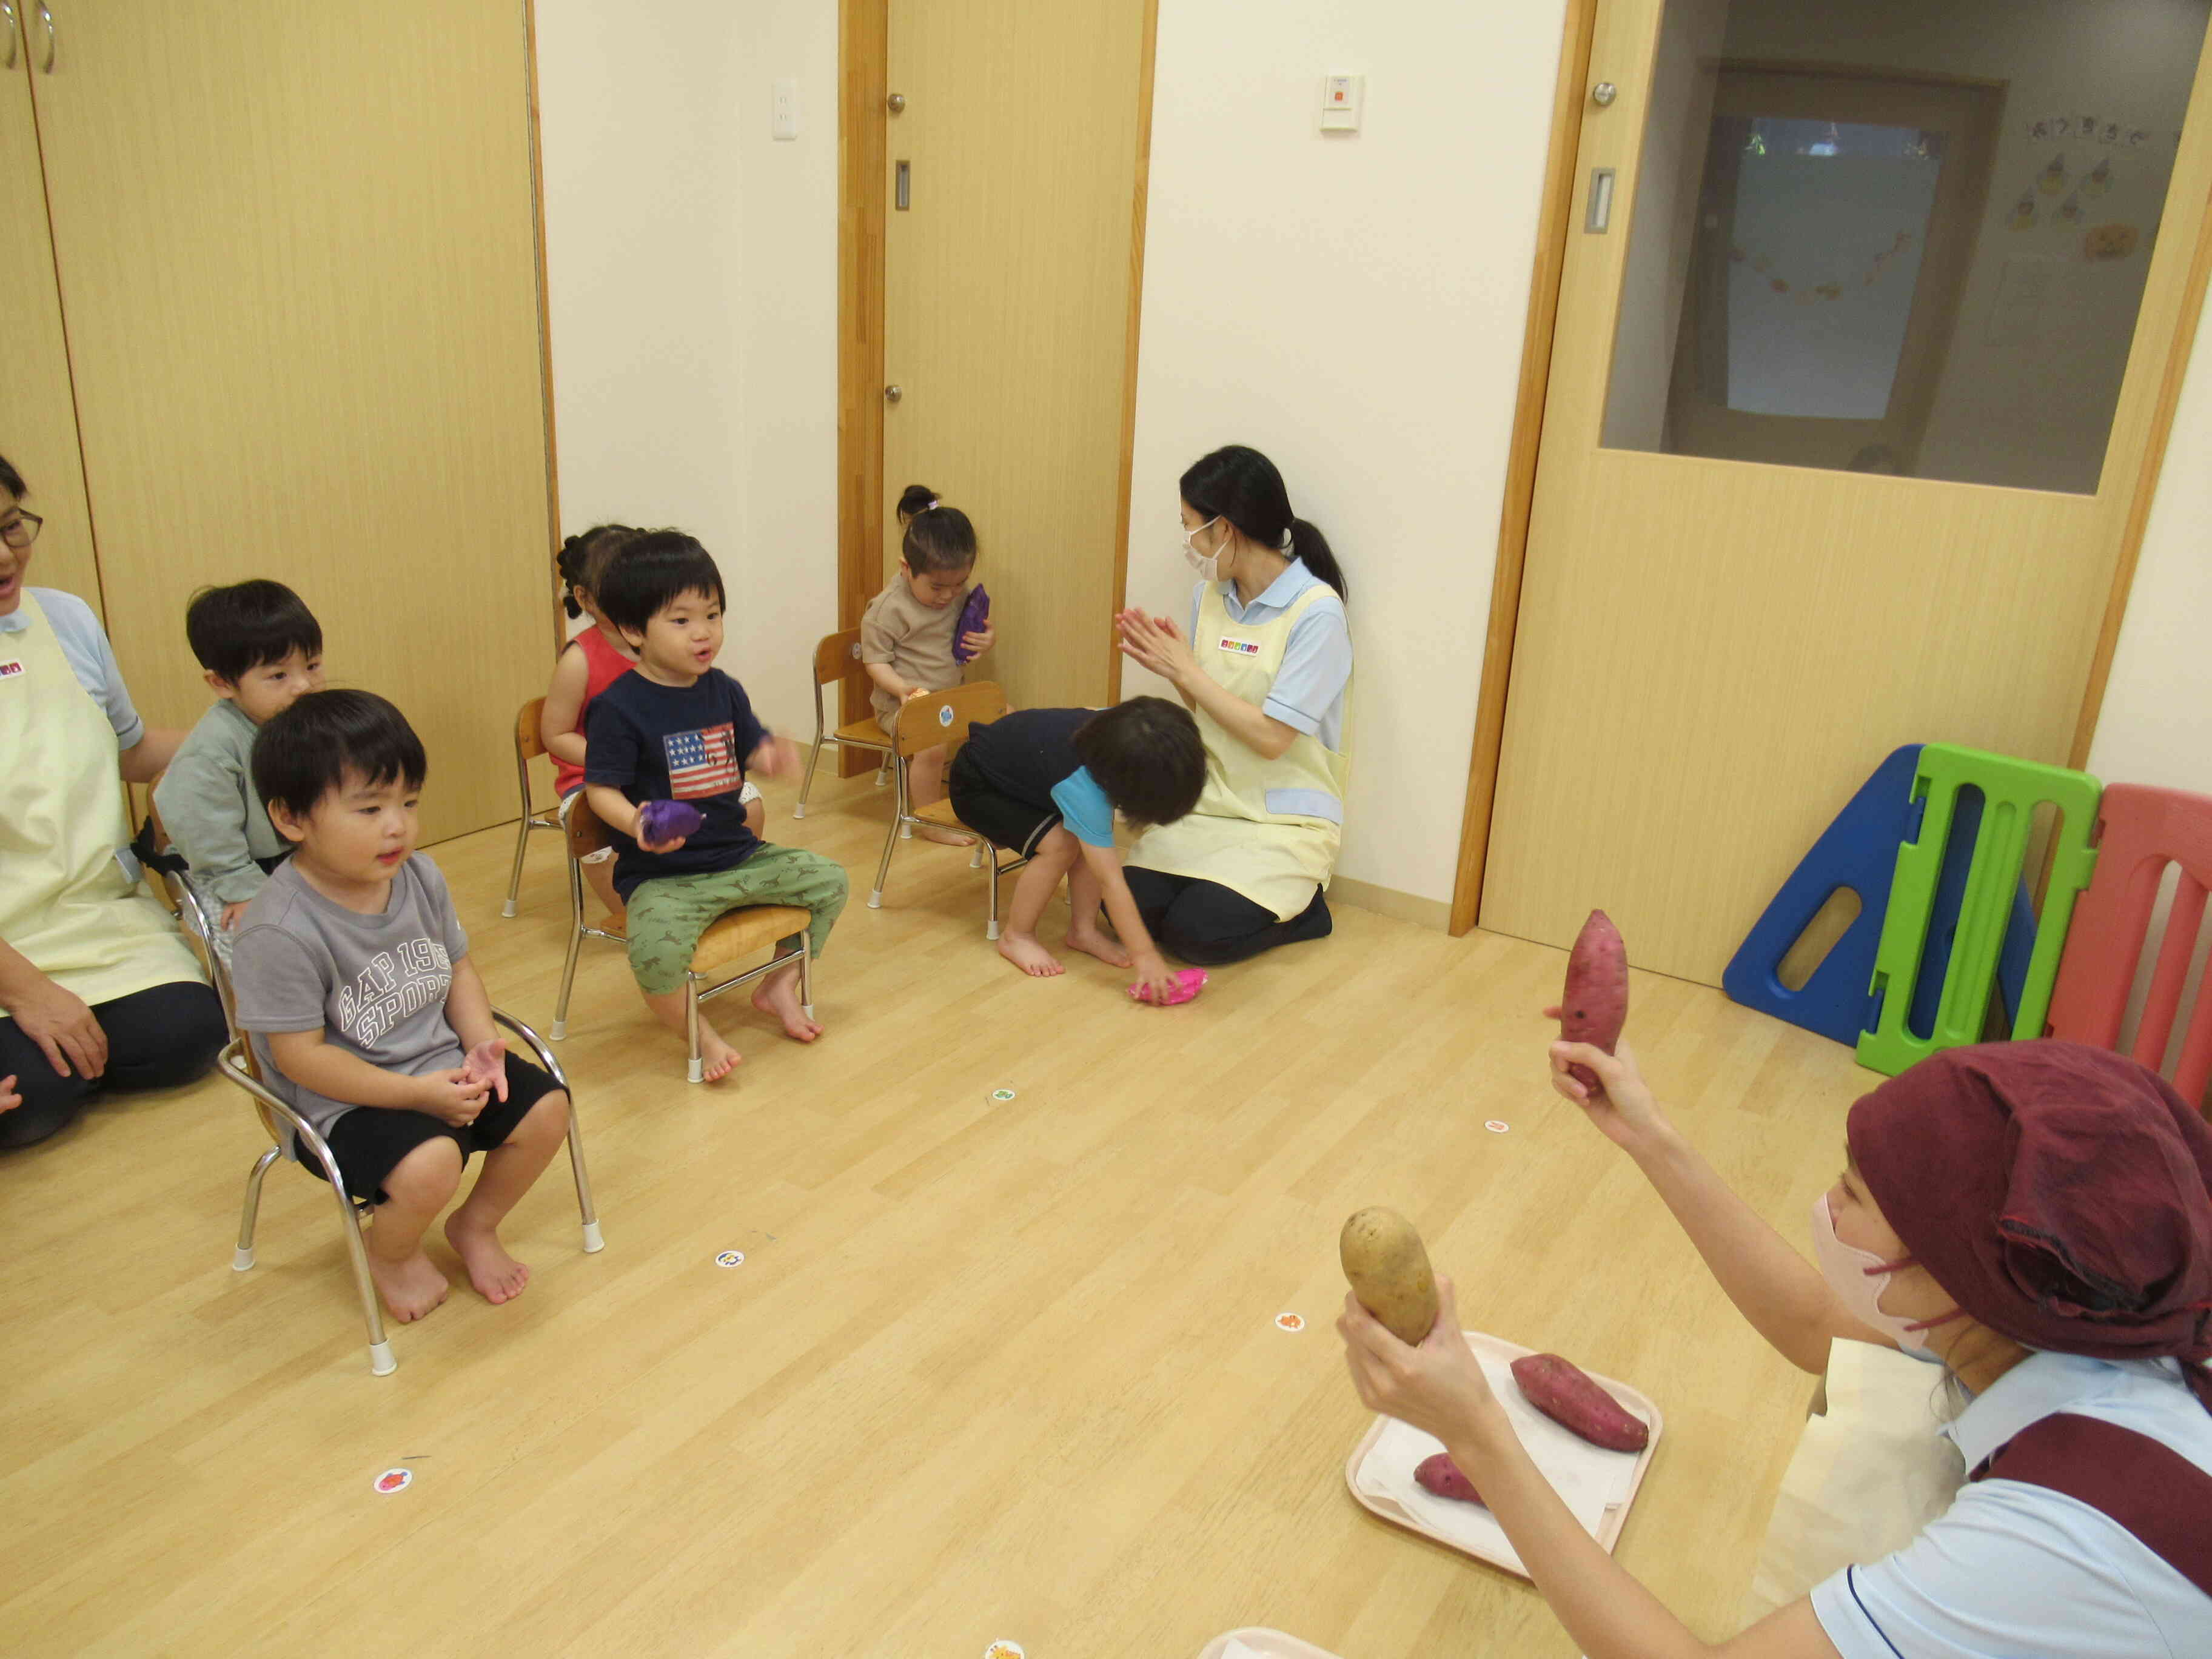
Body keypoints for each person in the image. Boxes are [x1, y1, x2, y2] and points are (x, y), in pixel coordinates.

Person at [1339, 1033, 2212, 1658]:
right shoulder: (2075, 1310)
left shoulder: (2053, 1544)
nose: (1829, 1209)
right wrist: (1646, 1131)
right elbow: (1809, 1323)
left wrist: (1477, 1432)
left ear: (1954, 1274)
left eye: (1852, 1192)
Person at [230, 689, 573, 1324]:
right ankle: (389, 1250)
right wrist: (417, 1097)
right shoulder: (278, 930)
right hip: (340, 1107)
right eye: (369, 808)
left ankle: (475, 1225)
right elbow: (301, 1061)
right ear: (292, 818)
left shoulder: (419, 876)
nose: (398, 825)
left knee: (549, 1107)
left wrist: (478, 1045)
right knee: (432, 1160)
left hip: (439, 1069)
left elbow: (457, 969)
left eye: (408, 802)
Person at [0, 451, 227, 1150]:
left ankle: (63, 1052)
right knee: (36, 1096)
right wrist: (30, 992)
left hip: (91, 914)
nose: (5, 555)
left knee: (191, 1035)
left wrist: (248, 738)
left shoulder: (65, 619)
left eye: (13, 527)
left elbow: (126, 749)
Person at [583, 531, 848, 1081]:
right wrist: (637, 821)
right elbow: (599, 790)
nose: (703, 633)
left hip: (737, 856)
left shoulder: (722, 689)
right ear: (634, 630)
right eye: (681, 621)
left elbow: (749, 744)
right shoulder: (618, 707)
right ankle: (697, 1030)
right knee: (654, 952)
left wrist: (770, 752)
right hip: (664, 877)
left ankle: (778, 985)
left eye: (713, 614)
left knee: (829, 881)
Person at [1114, 444, 1352, 966]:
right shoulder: (1212, 596)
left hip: (1282, 823)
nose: (1188, 543)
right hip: (1212, 803)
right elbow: (1208, 710)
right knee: (1125, 911)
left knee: (1198, 937)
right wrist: (1171, 667)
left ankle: (1310, 913)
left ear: (1225, 529)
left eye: (1190, 526)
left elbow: (1271, 738)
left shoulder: (1317, 614)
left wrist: (1186, 670)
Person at [945, 696, 1205, 991]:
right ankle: (1016, 936)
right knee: (1061, 846)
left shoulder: (1123, 729)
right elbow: (1111, 881)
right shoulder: (1081, 786)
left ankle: (1083, 931)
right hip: (978, 786)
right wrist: (1145, 955)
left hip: (1026, 776)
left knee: (1088, 840)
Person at [153, 579, 326, 956]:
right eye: (279, 676)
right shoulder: (212, 751)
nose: (304, 686)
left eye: (312, 666)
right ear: (222, 684)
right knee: (257, 942)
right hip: (236, 867)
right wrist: (243, 889)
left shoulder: (303, 720)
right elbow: (205, 830)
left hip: (300, 854)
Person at [860, 484, 995, 845]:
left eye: (959, 584)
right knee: (933, 745)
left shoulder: (954, 594)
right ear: (906, 569)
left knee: (1004, 718)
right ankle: (924, 818)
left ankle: (992, 809)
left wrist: (985, 640)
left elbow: (970, 632)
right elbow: (875, 661)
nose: (949, 596)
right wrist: (900, 689)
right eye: (937, 588)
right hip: (902, 708)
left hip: (948, 700)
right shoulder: (888, 609)